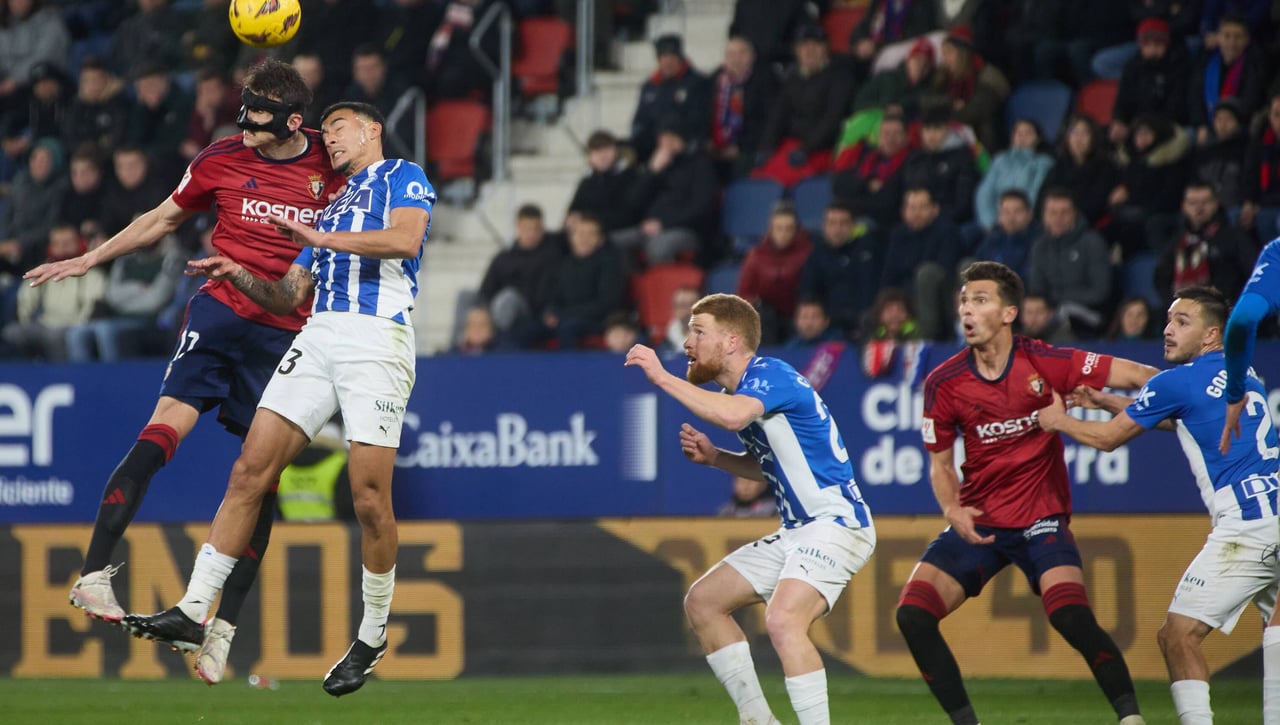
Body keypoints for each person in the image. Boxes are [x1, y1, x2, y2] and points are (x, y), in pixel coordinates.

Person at [22, 58, 344, 682]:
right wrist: (91, 258)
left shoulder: (330, 169)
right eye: (243, 108)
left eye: (257, 113)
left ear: (293, 120)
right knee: (164, 429)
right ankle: (93, 576)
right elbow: (164, 218)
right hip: (220, 313)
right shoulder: (221, 157)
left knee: (261, 479)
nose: (243, 121)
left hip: (286, 334)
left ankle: (221, 633)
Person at [122, 101, 434, 697]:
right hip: (317, 336)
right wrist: (236, 272)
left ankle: (371, 635)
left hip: (376, 340)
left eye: (339, 128)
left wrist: (319, 234)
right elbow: (289, 292)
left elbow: (405, 238)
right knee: (250, 470)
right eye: (330, 132)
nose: (331, 140)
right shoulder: (331, 205)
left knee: (369, 499)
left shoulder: (402, 176)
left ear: (372, 130)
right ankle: (193, 609)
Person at [900, 261, 1155, 725]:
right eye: (963, 300)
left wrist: (1193, 393)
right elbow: (939, 462)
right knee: (913, 614)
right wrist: (951, 507)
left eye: (980, 299)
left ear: (1009, 313)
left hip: (1041, 516)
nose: (967, 309)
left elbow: (1139, 374)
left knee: (1070, 616)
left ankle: (1131, 719)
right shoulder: (943, 382)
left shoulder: (1047, 361)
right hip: (981, 518)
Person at [624, 293, 875, 725]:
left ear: (732, 341)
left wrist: (662, 378)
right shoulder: (742, 390)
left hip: (836, 524)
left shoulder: (768, 375)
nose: (687, 343)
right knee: (703, 602)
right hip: (799, 529)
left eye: (698, 331)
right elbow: (774, 466)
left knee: (782, 621)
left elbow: (734, 417)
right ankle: (757, 720)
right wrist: (716, 458)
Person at [1039, 285, 1280, 725]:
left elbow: (1108, 439)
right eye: (1168, 320)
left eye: (1181, 322)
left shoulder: (1177, 380)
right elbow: (1187, 420)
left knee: (1177, 635)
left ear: (1210, 336)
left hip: (1247, 521)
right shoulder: (1246, 376)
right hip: (1275, 506)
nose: (1167, 330)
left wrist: (1058, 420)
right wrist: (1107, 400)